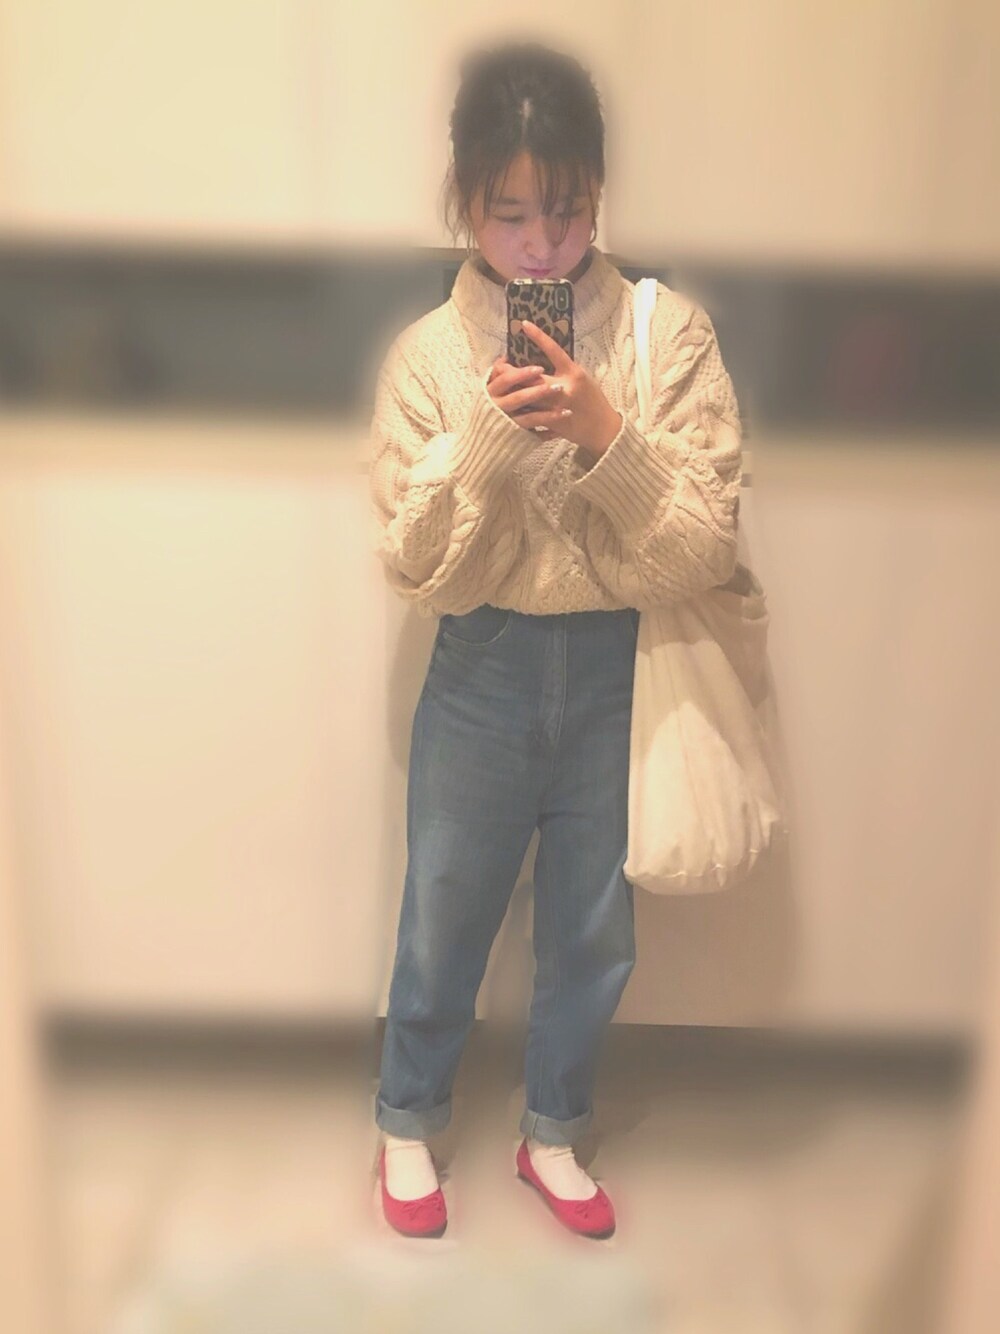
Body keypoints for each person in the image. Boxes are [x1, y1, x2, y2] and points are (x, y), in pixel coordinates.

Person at [368, 39, 743, 1239]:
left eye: (567, 209)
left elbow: (702, 549)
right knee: (443, 909)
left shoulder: (665, 338)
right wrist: (487, 440)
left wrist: (606, 437)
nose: (541, 244)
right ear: (464, 200)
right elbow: (417, 567)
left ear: (599, 192)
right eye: (509, 212)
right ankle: (405, 1116)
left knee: (591, 928)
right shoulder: (428, 358)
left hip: (619, 670)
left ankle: (553, 1129)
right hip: (480, 667)